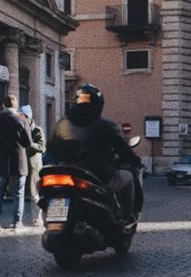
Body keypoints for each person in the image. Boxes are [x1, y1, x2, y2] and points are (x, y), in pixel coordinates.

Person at [46, 83, 142, 219]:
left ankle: (53, 219)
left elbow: (51, 149)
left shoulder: (61, 124)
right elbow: (124, 150)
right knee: (128, 177)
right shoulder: (105, 125)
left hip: (65, 175)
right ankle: (126, 217)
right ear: (98, 105)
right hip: (97, 176)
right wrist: (135, 161)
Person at [0, 94, 33, 230]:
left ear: (4, 105)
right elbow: (28, 142)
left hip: (1, 161)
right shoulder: (21, 120)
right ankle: (17, 222)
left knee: (0, 191)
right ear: (15, 106)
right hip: (18, 161)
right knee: (18, 192)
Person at [19, 105, 45, 226]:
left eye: (23, 116)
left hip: (35, 165)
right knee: (22, 193)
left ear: (29, 118)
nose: (22, 119)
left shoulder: (37, 130)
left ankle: (37, 218)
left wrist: (30, 144)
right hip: (23, 164)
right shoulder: (21, 130)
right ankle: (20, 219)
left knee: (35, 193)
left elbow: (42, 147)